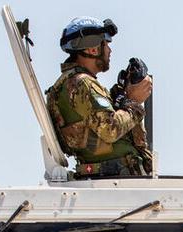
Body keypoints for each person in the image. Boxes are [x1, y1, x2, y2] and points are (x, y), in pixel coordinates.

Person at [45, 17, 153, 178]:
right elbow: (110, 129)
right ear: (93, 50)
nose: (109, 50)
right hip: (114, 177)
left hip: (111, 175)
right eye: (106, 44)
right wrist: (134, 102)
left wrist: (122, 96)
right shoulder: (83, 84)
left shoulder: (70, 83)